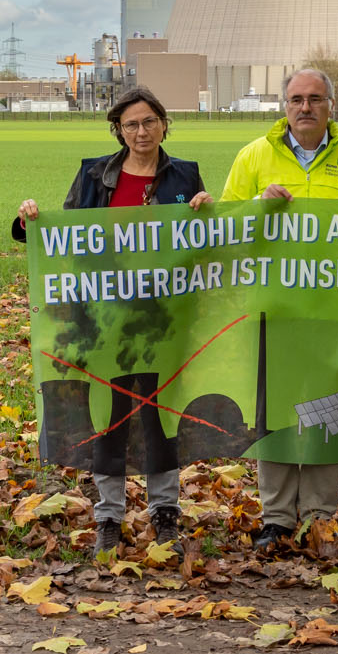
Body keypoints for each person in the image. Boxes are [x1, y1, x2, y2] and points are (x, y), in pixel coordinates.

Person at [16, 87, 214, 552]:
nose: (141, 132)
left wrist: (208, 213)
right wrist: (30, 221)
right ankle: (109, 515)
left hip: (163, 318)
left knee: (160, 413)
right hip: (104, 318)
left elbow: (202, 245)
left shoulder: (185, 174)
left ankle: (165, 511)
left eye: (149, 122)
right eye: (131, 124)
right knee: (111, 414)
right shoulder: (93, 174)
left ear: (164, 124)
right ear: (118, 130)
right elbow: (66, 236)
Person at [218, 68, 338, 553]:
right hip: (274, 311)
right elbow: (225, 227)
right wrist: (256, 207)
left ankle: (319, 515)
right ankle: (275, 516)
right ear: (283, 106)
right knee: (274, 416)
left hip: (336, 313)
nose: (305, 107)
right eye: (296, 99)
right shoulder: (254, 156)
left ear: (332, 106)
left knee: (328, 413)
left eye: (315, 99)